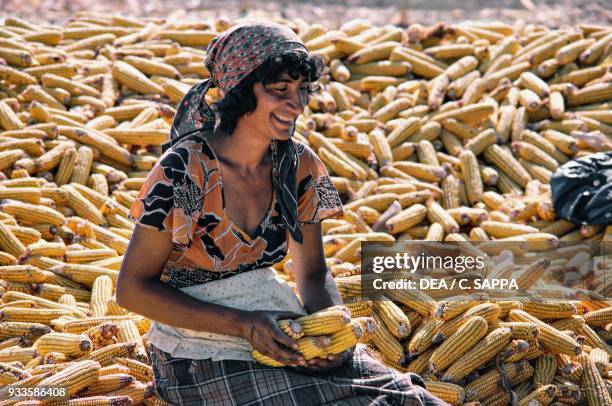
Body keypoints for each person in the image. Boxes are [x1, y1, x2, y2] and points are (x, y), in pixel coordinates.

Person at [116, 20, 448, 406]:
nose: (296, 105)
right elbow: (132, 289)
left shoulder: (297, 165)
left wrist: (332, 332)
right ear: (241, 92)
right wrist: (242, 325)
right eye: (279, 91)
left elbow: (312, 274)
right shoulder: (184, 171)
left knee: (408, 397)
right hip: (196, 353)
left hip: (280, 329)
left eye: (301, 91)